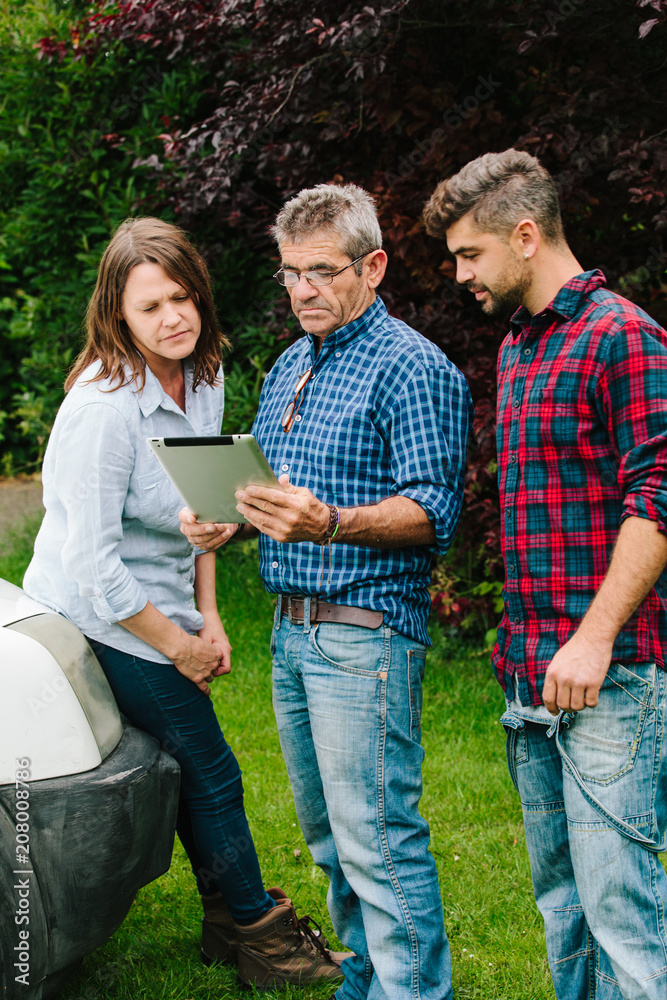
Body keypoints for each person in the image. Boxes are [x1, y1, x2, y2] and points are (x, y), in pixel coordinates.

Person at [22, 217, 347, 991]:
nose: (172, 317)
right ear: (117, 316)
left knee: (188, 766)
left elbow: (204, 508)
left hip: (163, 603)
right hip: (95, 617)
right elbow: (95, 570)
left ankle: (225, 927)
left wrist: (210, 614)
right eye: (150, 307)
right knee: (211, 770)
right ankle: (265, 939)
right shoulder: (101, 412)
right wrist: (179, 646)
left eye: (182, 298)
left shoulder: (201, 378)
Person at [180, 183, 473, 1000]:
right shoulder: (287, 367)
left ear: (372, 267)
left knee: (378, 836)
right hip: (292, 631)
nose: (301, 289)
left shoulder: (412, 367)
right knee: (329, 840)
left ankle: (413, 992)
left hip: (364, 631)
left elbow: (432, 509)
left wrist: (333, 522)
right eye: (288, 273)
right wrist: (226, 523)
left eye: (320, 270)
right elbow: (271, 495)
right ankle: (366, 978)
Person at [423, 149, 667, 1000]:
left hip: (610, 679)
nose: (458, 275)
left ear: (525, 236)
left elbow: (659, 494)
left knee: (623, 920)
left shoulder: (622, 335)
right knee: (563, 911)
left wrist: (594, 641)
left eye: (468, 255)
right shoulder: (519, 349)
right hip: (528, 675)